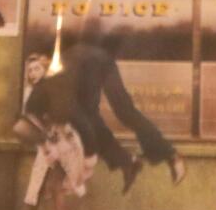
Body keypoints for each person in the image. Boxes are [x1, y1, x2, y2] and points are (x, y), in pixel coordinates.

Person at [20, 45, 187, 192]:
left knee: (115, 113)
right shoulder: (47, 91)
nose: (33, 75)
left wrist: (80, 170)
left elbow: (82, 131)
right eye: (30, 72)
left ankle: (170, 155)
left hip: (92, 62)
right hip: (90, 63)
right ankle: (128, 162)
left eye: (35, 70)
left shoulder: (49, 92)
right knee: (102, 117)